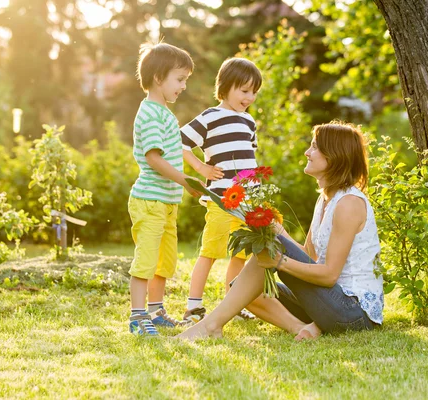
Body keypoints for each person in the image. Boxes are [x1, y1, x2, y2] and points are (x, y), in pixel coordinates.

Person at [178, 121, 384, 340]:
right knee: (241, 287)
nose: (307, 152)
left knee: (271, 251)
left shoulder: (348, 203)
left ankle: (210, 326)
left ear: (333, 155)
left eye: (314, 147)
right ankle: (300, 328)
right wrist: (278, 231)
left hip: (353, 312)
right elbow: (310, 257)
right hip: (327, 302)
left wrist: (279, 261)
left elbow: (329, 275)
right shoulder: (325, 200)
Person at [180, 58, 263, 324]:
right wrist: (201, 168)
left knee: (240, 253)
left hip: (247, 201)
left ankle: (233, 303)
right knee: (211, 251)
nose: (249, 97)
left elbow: (248, 158)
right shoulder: (210, 117)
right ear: (226, 87)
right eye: (244, 90)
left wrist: (256, 187)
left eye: (254, 92)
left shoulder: (249, 122)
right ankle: (193, 306)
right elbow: (179, 142)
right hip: (220, 199)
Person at [127, 42, 201, 336]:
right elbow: (153, 158)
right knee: (146, 260)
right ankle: (137, 317)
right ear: (159, 78)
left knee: (164, 262)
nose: (183, 86)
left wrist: (196, 173)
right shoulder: (150, 114)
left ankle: (156, 311)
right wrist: (185, 181)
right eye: (180, 79)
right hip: (150, 200)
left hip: (167, 202)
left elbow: (175, 152)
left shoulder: (165, 114)